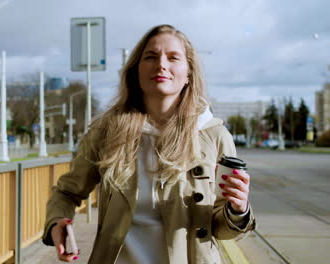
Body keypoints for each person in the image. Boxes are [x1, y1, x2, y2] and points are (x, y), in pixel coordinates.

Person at [42, 24, 256, 263]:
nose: (161, 64)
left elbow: (222, 230)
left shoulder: (214, 135)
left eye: (173, 57)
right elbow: (66, 192)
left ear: (188, 74)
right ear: (136, 71)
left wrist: (238, 210)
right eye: (151, 57)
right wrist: (57, 221)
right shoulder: (106, 131)